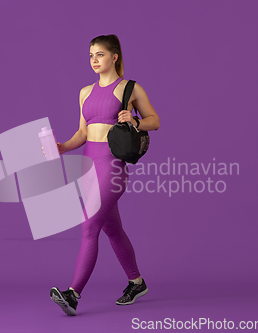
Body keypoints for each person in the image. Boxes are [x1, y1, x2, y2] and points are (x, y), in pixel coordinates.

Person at [44, 34, 160, 316]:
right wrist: (61, 147)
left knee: (89, 226)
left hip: (112, 166)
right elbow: (83, 133)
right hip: (87, 166)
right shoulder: (85, 92)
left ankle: (73, 294)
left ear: (114, 57)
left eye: (100, 54)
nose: (94, 60)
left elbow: (155, 121)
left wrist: (134, 119)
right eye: (91, 55)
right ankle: (137, 282)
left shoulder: (129, 89)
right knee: (112, 229)